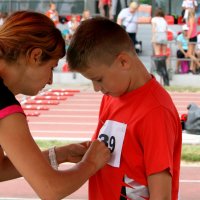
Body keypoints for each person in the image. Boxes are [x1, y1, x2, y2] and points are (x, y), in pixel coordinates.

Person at [67, 17, 182, 200]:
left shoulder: (155, 112)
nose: (97, 88)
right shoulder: (112, 96)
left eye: (98, 79)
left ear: (123, 62)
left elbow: (161, 195)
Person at [0, 11, 111, 199]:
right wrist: (91, 163)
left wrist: (61, 154)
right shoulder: (5, 106)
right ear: (35, 56)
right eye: (51, 67)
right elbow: (51, 189)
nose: (51, 80)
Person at [186, 8, 200, 73]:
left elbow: (191, 28)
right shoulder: (195, 18)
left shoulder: (191, 18)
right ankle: (192, 68)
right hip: (194, 36)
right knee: (192, 53)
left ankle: (198, 64)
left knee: (189, 54)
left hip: (192, 36)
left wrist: (188, 37)